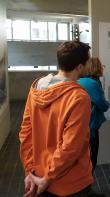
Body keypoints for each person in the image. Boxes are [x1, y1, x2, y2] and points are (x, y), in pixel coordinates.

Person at [19, 41, 95, 196]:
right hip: (71, 182)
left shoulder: (36, 88)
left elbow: (25, 133)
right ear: (79, 67)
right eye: (87, 63)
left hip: (38, 174)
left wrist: (30, 171)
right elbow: (71, 146)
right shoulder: (79, 97)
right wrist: (48, 178)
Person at [78, 57, 110, 173]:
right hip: (90, 128)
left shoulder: (81, 81)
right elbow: (104, 106)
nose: (102, 68)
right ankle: (87, 188)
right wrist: (106, 103)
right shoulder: (92, 83)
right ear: (96, 67)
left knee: (86, 161)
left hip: (82, 126)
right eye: (101, 66)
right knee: (91, 161)